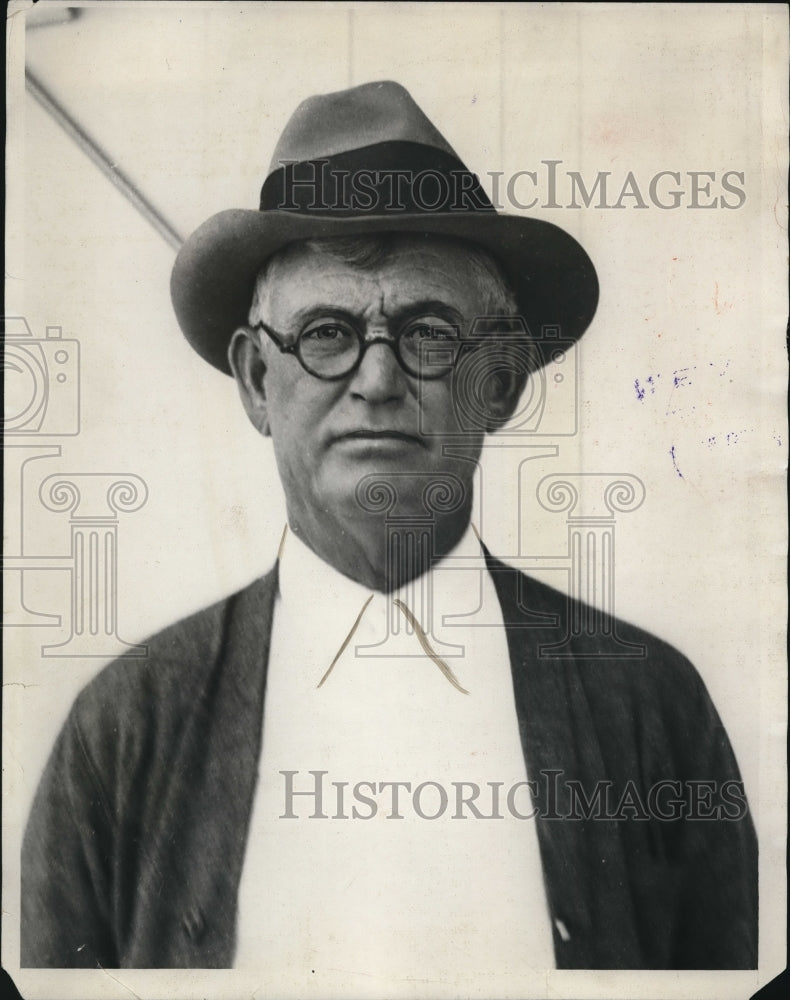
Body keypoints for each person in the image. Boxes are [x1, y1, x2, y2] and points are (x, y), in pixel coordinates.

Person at [21, 81, 757, 973]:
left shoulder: (653, 711)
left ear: (502, 383)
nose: (376, 380)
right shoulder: (123, 732)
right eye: (327, 332)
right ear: (257, 379)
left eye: (430, 333)